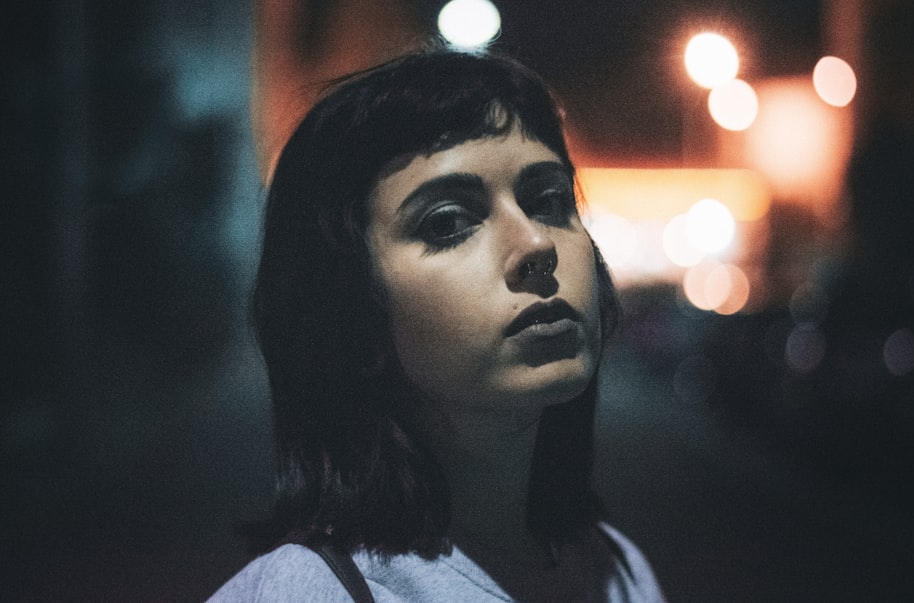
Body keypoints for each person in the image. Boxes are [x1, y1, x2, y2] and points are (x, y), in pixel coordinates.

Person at [209, 48, 664, 602]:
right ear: (353, 307)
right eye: (448, 222)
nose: (537, 244)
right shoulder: (308, 591)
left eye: (547, 200)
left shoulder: (619, 571)